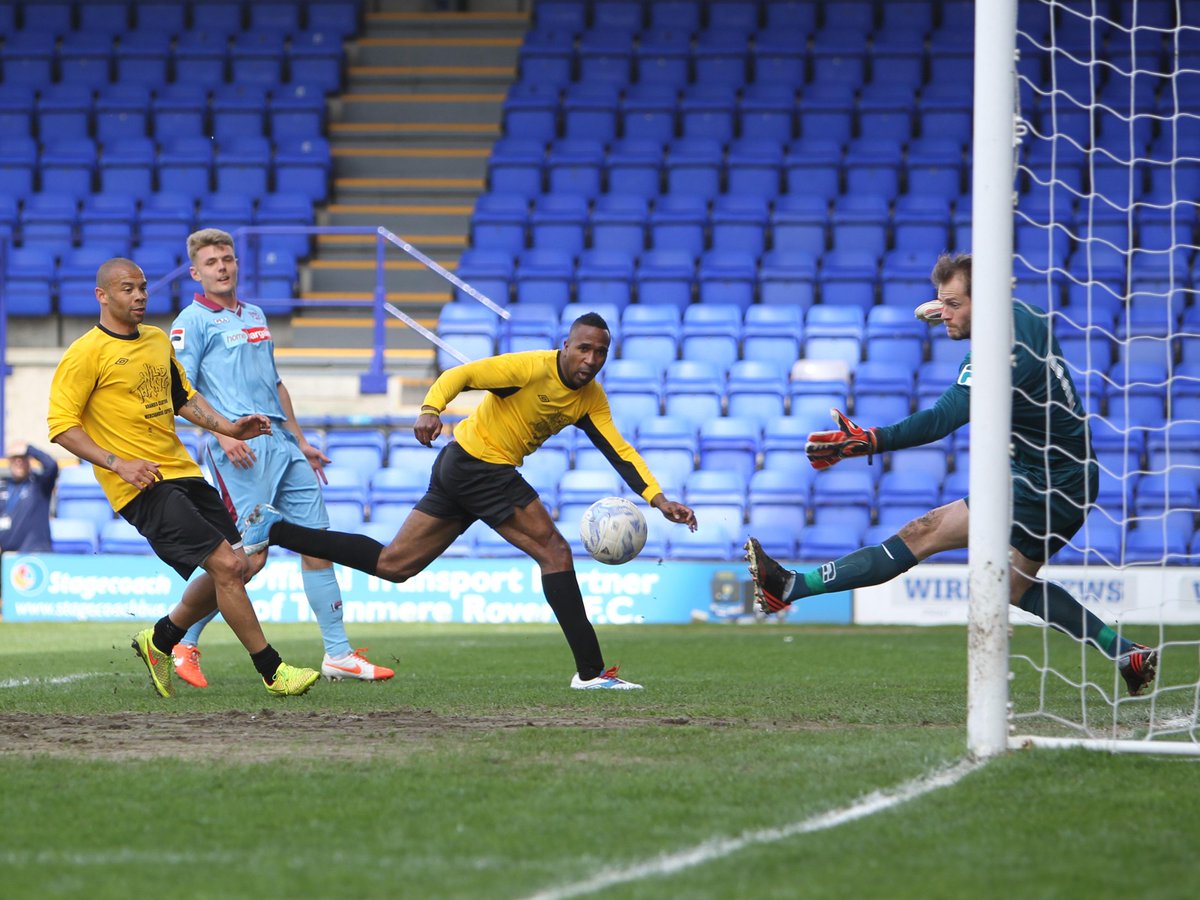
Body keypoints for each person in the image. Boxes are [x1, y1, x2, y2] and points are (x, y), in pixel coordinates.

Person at [745, 252, 1159, 696]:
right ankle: (1124, 653)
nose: (945, 314)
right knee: (1015, 586)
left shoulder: (998, 354)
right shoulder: (1025, 314)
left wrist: (871, 440)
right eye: (943, 303)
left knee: (922, 533)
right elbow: (965, 311)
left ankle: (788, 587)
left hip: (1043, 483)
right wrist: (945, 308)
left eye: (954, 304)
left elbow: (941, 420)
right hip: (1073, 477)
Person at [240, 312, 699, 689]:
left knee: (395, 565)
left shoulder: (589, 398)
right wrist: (429, 409)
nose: (591, 358)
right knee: (555, 553)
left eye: (601, 352)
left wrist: (658, 500)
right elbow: (461, 374)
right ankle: (592, 674)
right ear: (566, 345)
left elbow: (618, 449)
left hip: (463, 467)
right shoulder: (529, 369)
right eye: (584, 348)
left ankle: (275, 529)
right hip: (481, 465)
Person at [47, 257, 320, 698]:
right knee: (228, 566)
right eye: (127, 289)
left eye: (142, 288)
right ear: (102, 295)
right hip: (141, 484)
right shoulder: (85, 353)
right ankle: (274, 672)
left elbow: (182, 398)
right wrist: (118, 464)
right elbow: (62, 426)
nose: (139, 296)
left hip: (183, 472)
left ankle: (160, 640)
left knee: (243, 566)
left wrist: (229, 428)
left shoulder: (156, 340)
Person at [166, 228, 393, 688]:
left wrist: (301, 440)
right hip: (241, 450)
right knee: (247, 559)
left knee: (316, 543)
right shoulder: (190, 322)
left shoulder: (254, 314)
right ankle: (181, 639)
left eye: (227, 258)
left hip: (283, 445)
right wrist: (223, 433)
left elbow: (276, 384)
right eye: (212, 262)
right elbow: (180, 391)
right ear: (196, 272)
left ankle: (338, 654)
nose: (223, 267)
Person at [1, 442, 59, 552]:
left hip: (36, 554)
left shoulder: (39, 483)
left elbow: (51, 466)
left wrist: (29, 449)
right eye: (15, 458)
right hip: (7, 557)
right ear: (9, 461)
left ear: (28, 460)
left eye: (22, 457)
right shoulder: (3, 486)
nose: (19, 461)